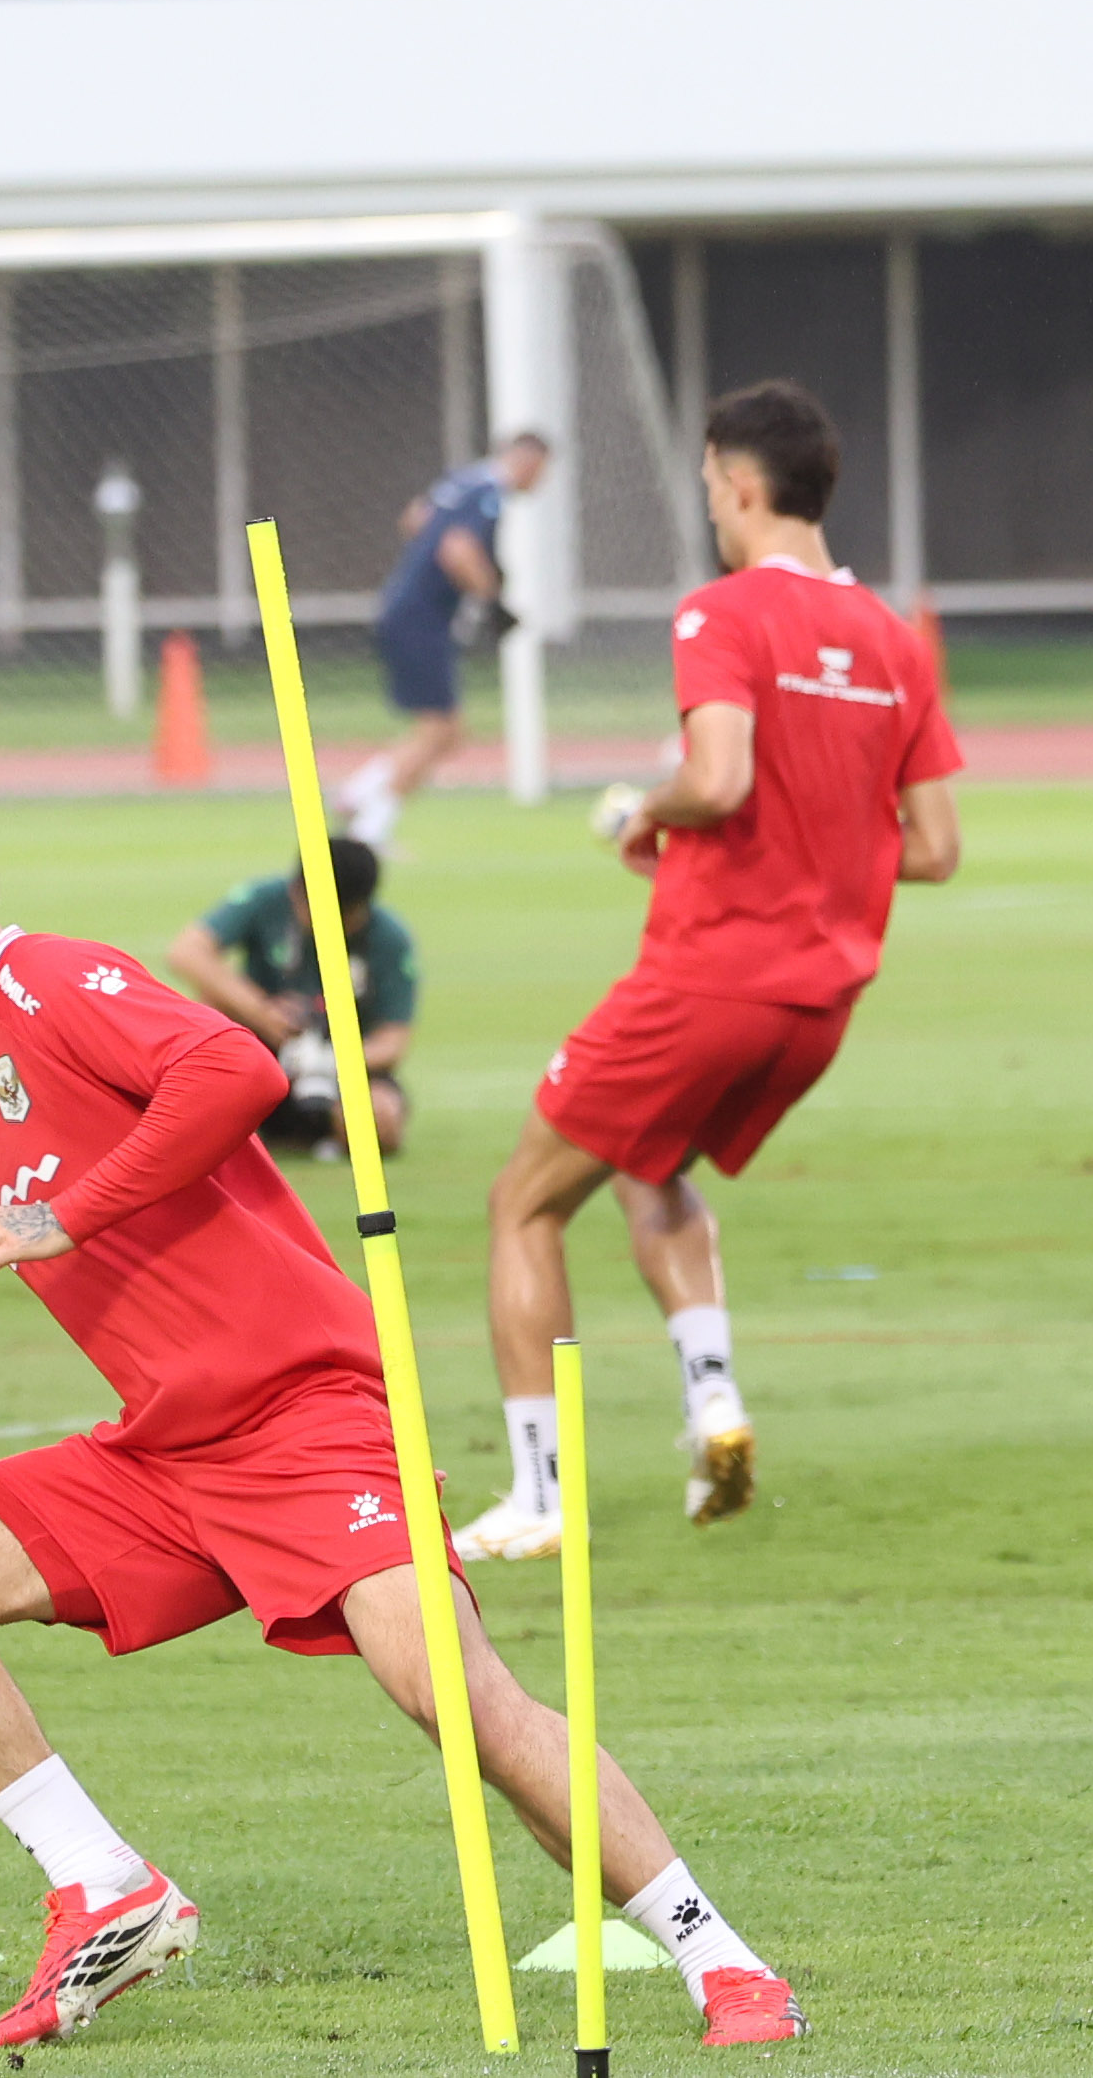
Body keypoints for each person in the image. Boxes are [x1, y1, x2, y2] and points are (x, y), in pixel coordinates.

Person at [0, 775, 801, 2050]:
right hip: (167, 1448)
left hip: (307, 1415)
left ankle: (728, 1963)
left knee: (458, 1698)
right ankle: (105, 1884)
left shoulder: (45, 978)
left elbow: (231, 1068)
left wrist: (60, 1214)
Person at [455, 381, 962, 1561]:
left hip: (712, 976)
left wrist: (642, 805)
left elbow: (721, 775)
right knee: (650, 1165)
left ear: (739, 482)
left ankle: (538, 1496)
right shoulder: (893, 638)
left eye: (709, 488)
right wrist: (828, 833)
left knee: (522, 1204)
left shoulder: (722, 613)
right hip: (821, 1002)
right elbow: (934, 847)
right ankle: (715, 1401)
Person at [338, 431, 547, 848]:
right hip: (422, 618)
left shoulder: (462, 480)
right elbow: (457, 549)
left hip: (405, 609)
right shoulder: (490, 493)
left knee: (447, 734)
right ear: (527, 462)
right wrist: (491, 599)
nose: (540, 482)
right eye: (541, 472)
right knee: (439, 732)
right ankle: (367, 831)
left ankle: (358, 793)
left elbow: (415, 518)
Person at [165, 837, 418, 1157]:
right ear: (297, 889)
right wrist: (262, 1011)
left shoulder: (389, 938)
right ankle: (220, 1120)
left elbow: (393, 1041)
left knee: (380, 1119)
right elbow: (186, 952)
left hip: (341, 1073)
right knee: (209, 1002)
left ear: (360, 909)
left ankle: (319, 1132)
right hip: (262, 1055)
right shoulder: (266, 899)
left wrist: (329, 1059)